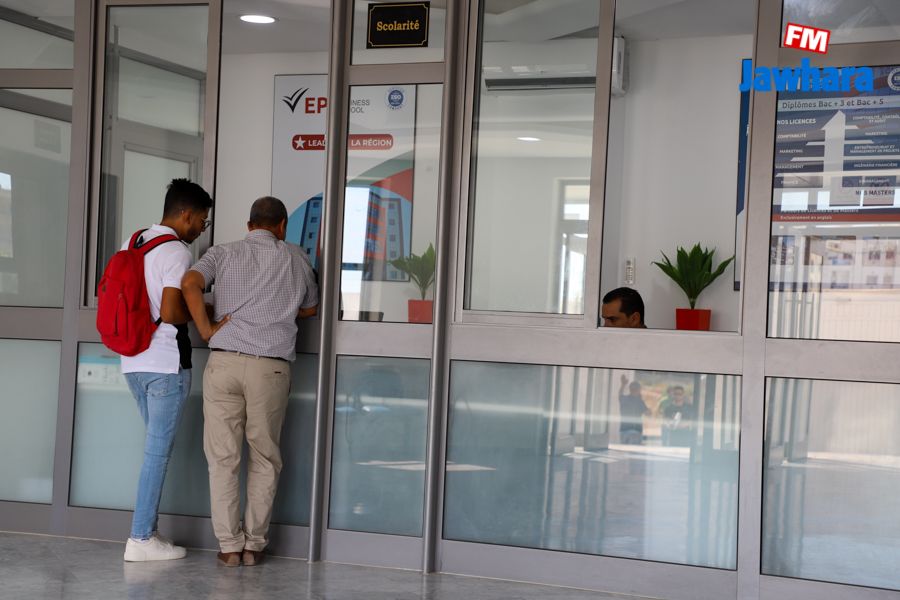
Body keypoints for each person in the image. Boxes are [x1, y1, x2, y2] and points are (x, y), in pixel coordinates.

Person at [181, 196, 318, 567]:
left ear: (249, 225)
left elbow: (190, 283)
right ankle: (254, 546)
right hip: (269, 369)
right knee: (265, 457)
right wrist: (280, 307)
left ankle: (228, 546)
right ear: (282, 226)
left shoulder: (222, 254)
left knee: (222, 459)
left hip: (224, 363)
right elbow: (310, 307)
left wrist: (206, 328)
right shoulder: (296, 257)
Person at [121, 178, 214, 562]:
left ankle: (148, 532)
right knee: (157, 454)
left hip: (132, 361)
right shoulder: (176, 251)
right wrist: (205, 313)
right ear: (186, 214)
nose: (201, 229)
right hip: (165, 364)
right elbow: (173, 311)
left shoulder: (134, 242)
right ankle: (141, 538)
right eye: (202, 221)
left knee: (154, 450)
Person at [618, 374, 649, 445]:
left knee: (624, 450)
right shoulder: (640, 402)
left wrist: (623, 384)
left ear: (630, 389)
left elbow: (620, 394)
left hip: (623, 430)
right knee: (633, 451)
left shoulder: (624, 399)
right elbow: (648, 413)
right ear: (639, 390)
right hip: (636, 431)